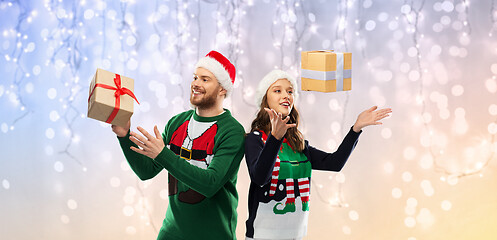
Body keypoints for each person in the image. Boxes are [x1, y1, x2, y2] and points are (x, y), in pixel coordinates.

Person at [111, 50, 245, 240]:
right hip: (171, 234)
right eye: (195, 77)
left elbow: (210, 184)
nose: (196, 84)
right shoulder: (177, 123)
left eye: (205, 79)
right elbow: (146, 171)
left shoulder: (232, 131)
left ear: (222, 89)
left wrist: (163, 154)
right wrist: (124, 136)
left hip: (213, 235)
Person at [244, 69, 392, 240]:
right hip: (262, 236)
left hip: (295, 236)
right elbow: (260, 178)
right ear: (265, 100)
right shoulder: (255, 139)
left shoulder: (297, 144)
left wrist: (356, 129)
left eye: (290, 91)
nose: (286, 95)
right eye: (278, 90)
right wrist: (275, 139)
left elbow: (334, 163)